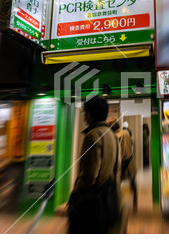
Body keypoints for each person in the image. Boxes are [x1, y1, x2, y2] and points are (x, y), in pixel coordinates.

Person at [67, 96, 121, 234]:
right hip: (107, 197)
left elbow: (90, 174)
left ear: (89, 114)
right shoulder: (112, 135)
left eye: (85, 113)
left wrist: (76, 192)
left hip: (92, 203)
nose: (85, 116)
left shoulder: (93, 135)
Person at [109, 119, 137, 213]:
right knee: (133, 182)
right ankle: (135, 202)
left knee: (117, 183)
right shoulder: (126, 133)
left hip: (121, 163)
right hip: (130, 161)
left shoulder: (115, 136)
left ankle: (117, 203)